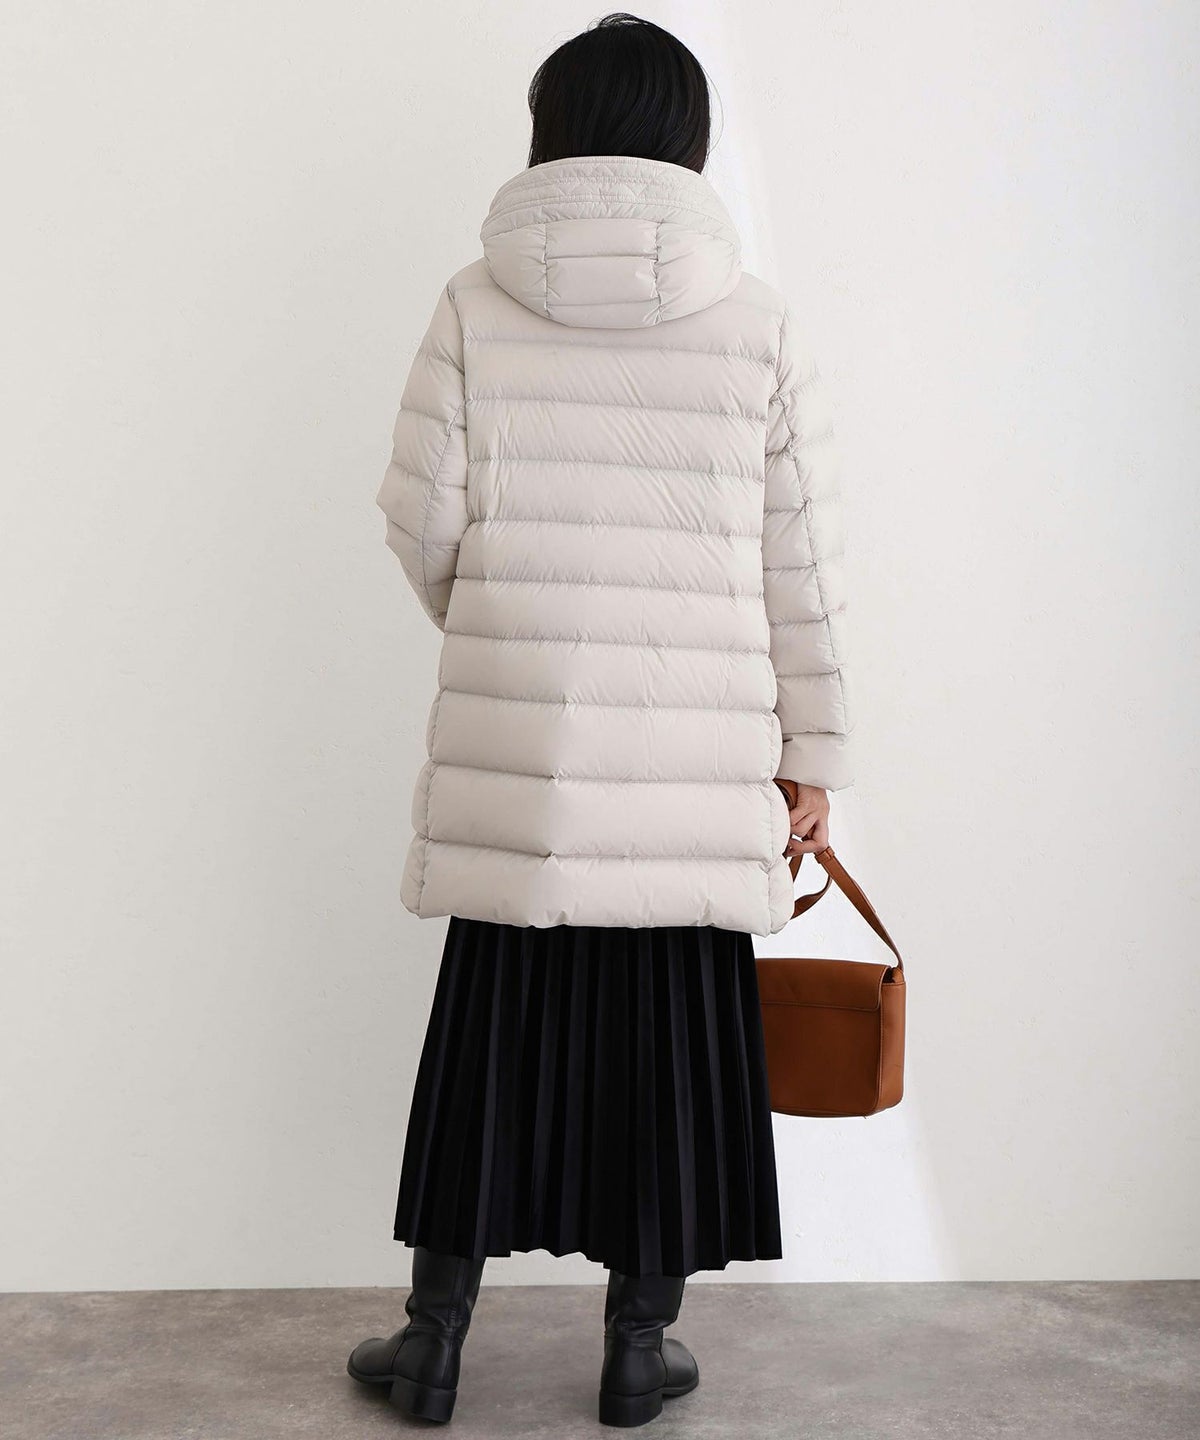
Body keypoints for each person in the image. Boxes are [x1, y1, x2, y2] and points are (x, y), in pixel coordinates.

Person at [347, 12, 851, 1429]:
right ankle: (638, 1352)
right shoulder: (755, 320)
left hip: (531, 766)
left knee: (489, 1042)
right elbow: (800, 565)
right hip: (696, 763)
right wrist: (811, 754)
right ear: (691, 138)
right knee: (675, 1052)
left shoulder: (474, 303)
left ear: (551, 128)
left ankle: (434, 1346)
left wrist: (511, 629)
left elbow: (420, 521)